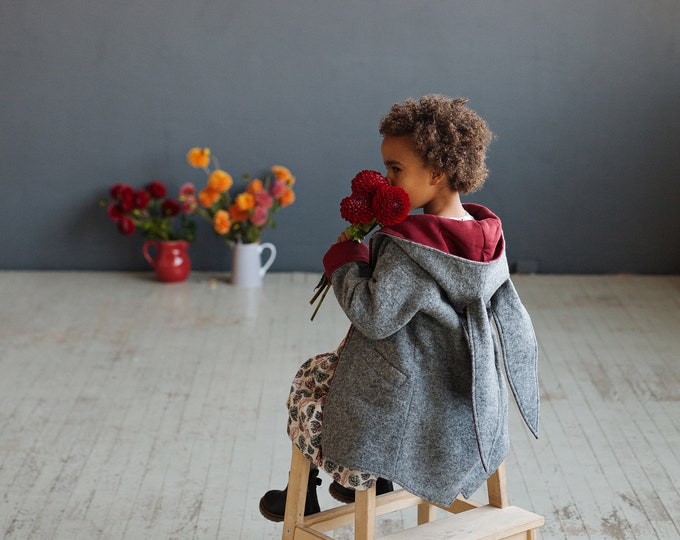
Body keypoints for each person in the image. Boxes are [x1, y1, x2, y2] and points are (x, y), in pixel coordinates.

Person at [259, 95, 539, 521]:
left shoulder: (412, 247)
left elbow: (374, 315)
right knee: (337, 373)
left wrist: (346, 263)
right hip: (462, 390)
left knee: (309, 383)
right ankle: (370, 480)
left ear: (437, 172)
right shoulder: (483, 237)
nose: (387, 182)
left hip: (408, 396)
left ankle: (312, 491)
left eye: (395, 169)